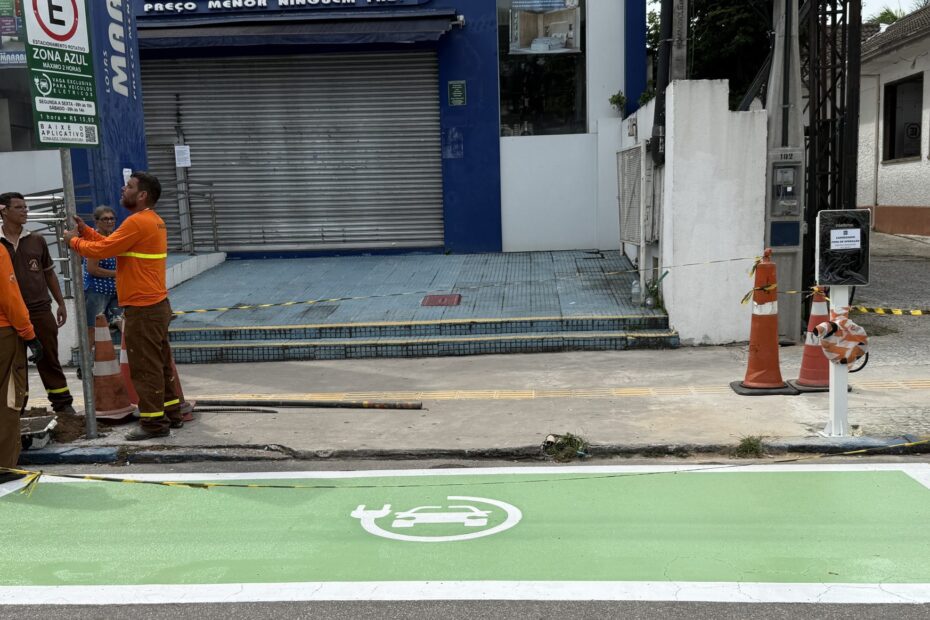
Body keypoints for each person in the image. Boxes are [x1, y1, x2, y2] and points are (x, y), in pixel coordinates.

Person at [64, 172, 184, 441]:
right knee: (160, 364)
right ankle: (171, 413)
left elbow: (101, 251)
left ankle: (153, 424)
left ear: (142, 195)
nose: (123, 188)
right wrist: (86, 231)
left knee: (145, 367)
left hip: (144, 308)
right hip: (155, 305)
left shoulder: (137, 222)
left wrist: (72, 241)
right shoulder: (152, 220)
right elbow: (110, 243)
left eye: (129, 186)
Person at [0, 192, 76, 416]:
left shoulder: (36, 240)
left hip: (40, 310)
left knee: (49, 358)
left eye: (26, 207)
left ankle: (63, 404)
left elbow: (49, 274)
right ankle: (17, 409)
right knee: (15, 364)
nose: (25, 211)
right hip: (8, 315)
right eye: (19, 207)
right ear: (3, 211)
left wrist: (60, 303)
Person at [0, 222, 42, 480]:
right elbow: (10, 297)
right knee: (8, 397)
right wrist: (29, 334)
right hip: (4, 333)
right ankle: (4, 464)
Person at [83, 206, 122, 340]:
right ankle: (88, 352)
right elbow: (92, 269)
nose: (109, 222)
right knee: (93, 329)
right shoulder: (95, 240)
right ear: (96, 221)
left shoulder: (114, 238)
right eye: (105, 219)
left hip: (115, 291)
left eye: (112, 218)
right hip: (97, 292)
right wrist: (117, 273)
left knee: (123, 322)